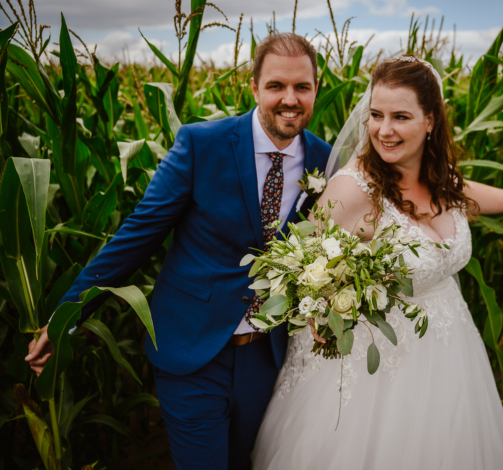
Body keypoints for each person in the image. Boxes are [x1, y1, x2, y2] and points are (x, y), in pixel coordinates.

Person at [251, 56, 503, 469]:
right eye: (376, 115)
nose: (383, 130)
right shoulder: (354, 191)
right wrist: (320, 312)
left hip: (450, 350)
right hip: (377, 369)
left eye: (400, 117)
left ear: (430, 120)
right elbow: (302, 263)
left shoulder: (440, 176)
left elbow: (466, 193)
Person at [24, 33, 332, 470]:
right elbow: (136, 236)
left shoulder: (325, 161)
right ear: (253, 88)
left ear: (317, 88)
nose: (290, 99)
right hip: (191, 349)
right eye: (276, 86)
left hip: (269, 358)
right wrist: (65, 319)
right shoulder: (201, 144)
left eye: (302, 87)